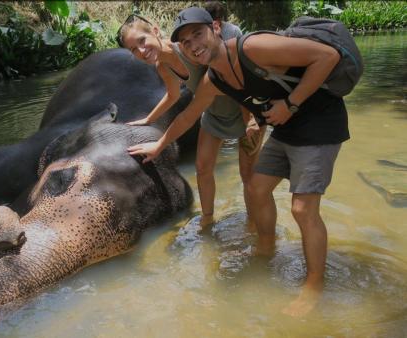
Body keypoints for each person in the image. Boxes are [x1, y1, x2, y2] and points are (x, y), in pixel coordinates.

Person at [127, 7, 349, 317]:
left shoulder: (251, 47)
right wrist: (159, 144)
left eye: (198, 35)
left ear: (216, 28)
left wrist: (290, 103)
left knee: (302, 208)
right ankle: (266, 248)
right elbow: (189, 115)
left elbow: (327, 56)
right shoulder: (214, 78)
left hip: (318, 119)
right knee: (257, 189)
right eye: (186, 42)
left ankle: (314, 286)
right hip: (286, 125)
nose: (193, 45)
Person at [116, 8, 263, 231]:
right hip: (214, 114)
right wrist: (148, 119)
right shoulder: (163, 66)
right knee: (202, 168)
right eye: (134, 49)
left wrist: (251, 119)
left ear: (155, 31)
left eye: (142, 40)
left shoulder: (191, 49)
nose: (142, 51)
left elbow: (238, 81)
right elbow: (173, 95)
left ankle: (254, 224)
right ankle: (207, 221)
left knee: (247, 174)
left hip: (244, 108)